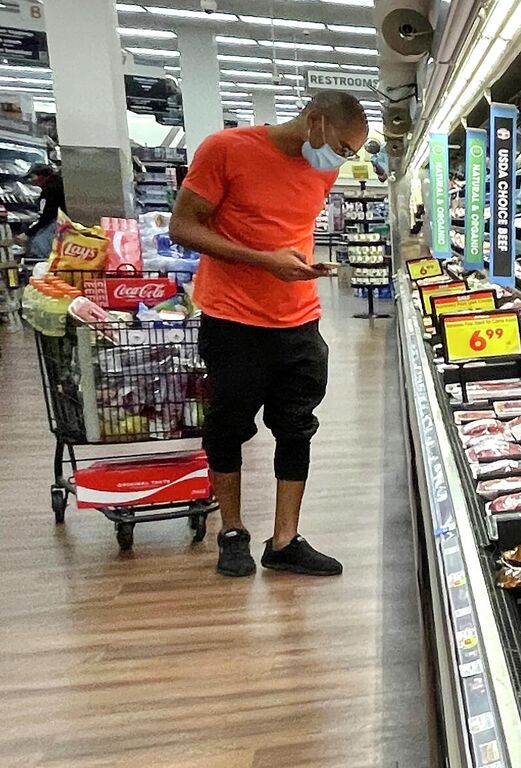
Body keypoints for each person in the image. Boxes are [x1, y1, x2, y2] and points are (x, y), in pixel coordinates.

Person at [168, 91, 370, 578]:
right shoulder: (225, 149)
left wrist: (299, 264)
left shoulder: (323, 170)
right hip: (234, 318)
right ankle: (232, 531)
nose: (343, 159)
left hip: (299, 318)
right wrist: (264, 262)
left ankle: (284, 541)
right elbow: (182, 227)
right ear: (314, 121)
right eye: (342, 147)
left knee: (297, 425)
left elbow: (289, 229)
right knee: (229, 426)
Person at [24, 163, 63, 261]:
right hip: (62, 221)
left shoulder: (49, 190)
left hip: (56, 222)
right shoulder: (59, 184)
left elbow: (46, 215)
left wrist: (28, 232)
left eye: (32, 177)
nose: (30, 180)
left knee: (39, 242)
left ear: (41, 176)